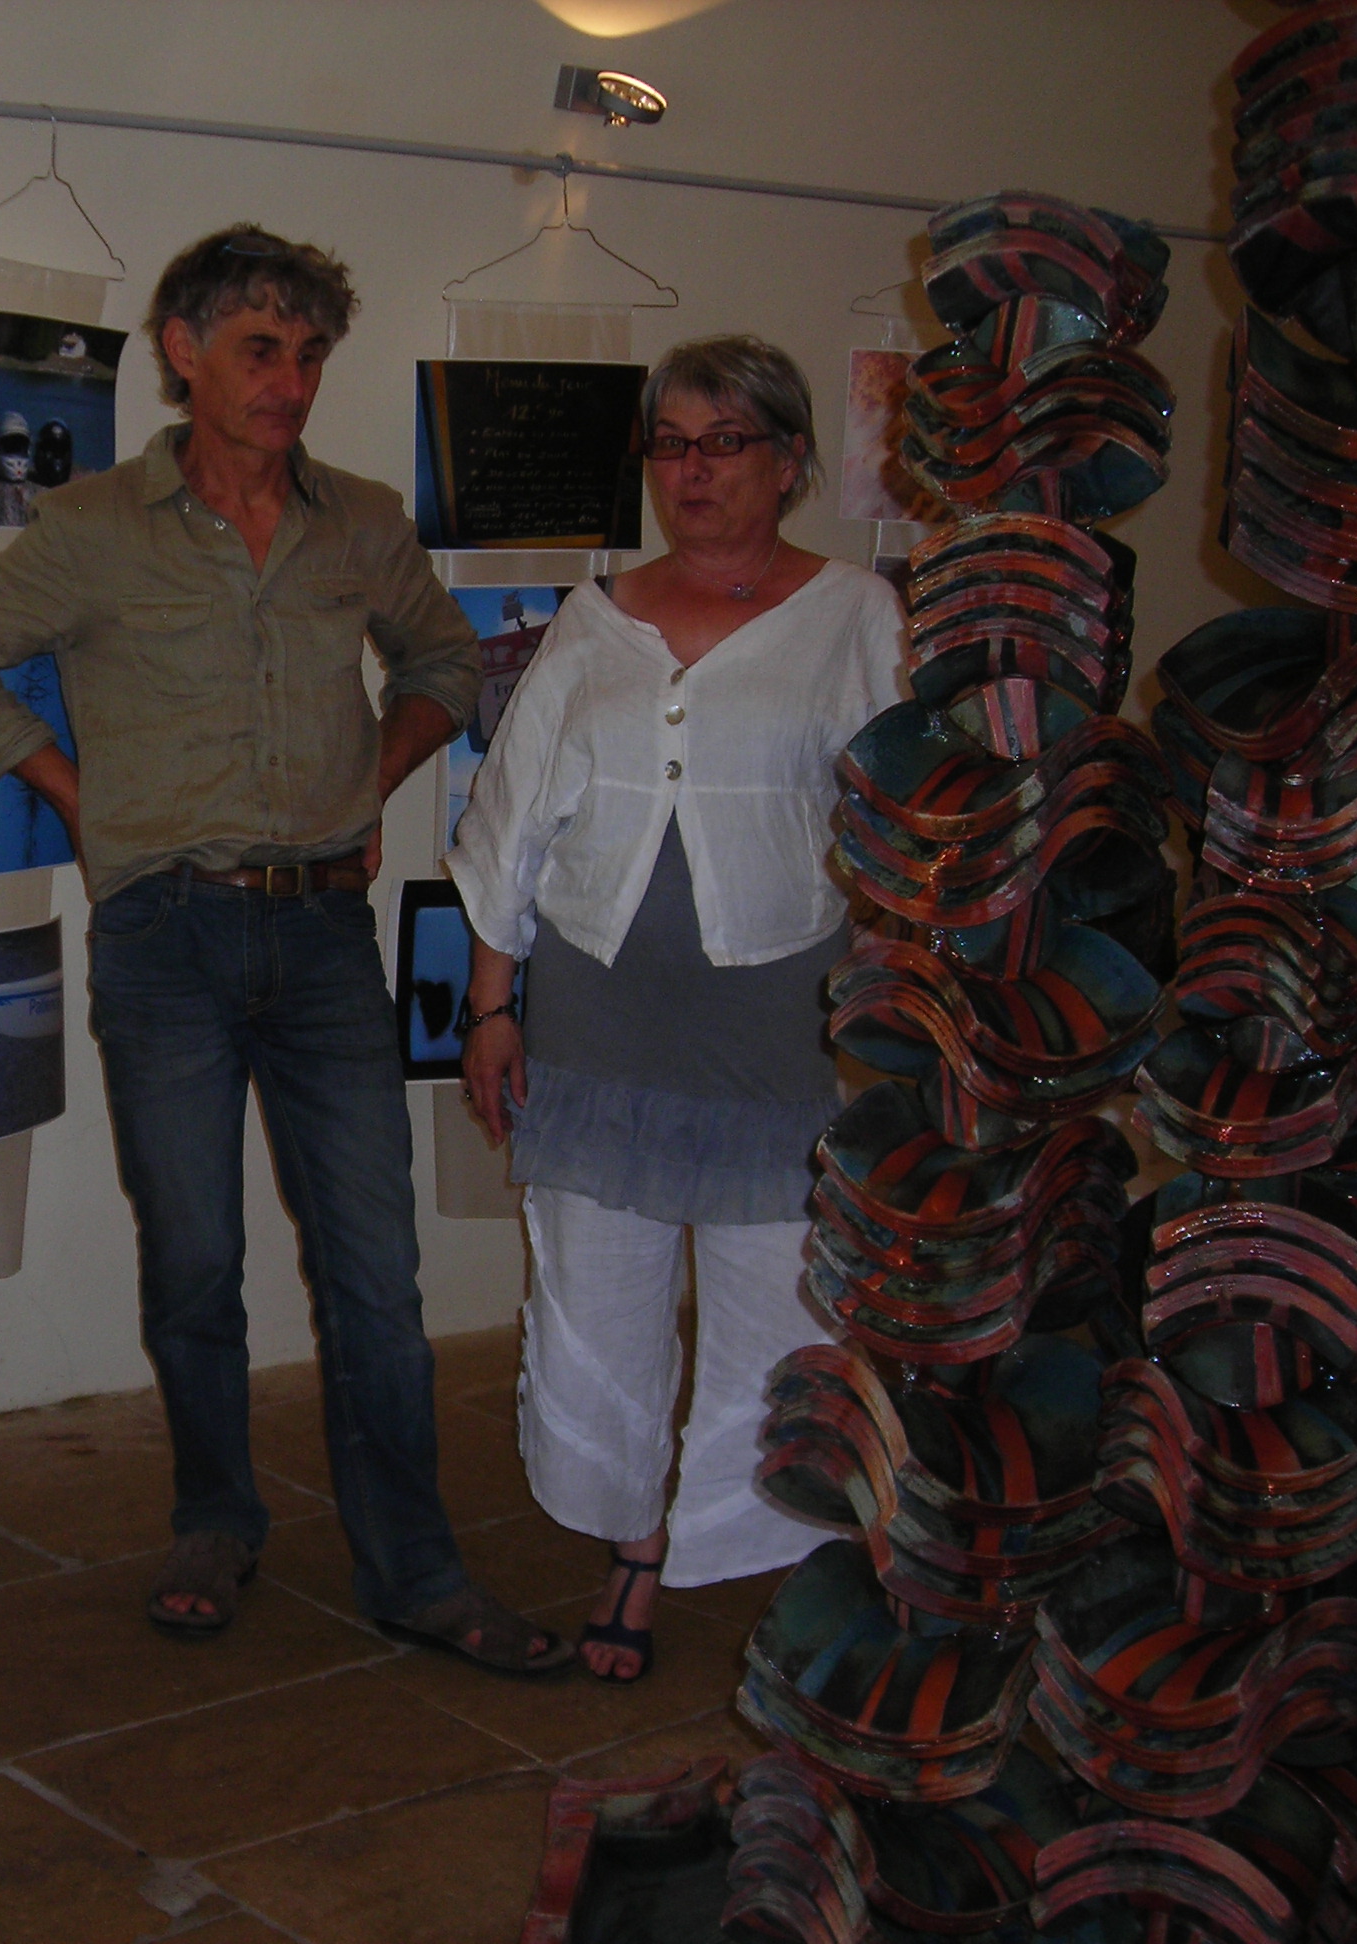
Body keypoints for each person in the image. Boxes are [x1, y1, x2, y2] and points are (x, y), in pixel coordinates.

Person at [0, 224, 573, 1678]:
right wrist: (74, 791)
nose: (291, 381)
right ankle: (216, 1518)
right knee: (196, 1259)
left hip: (324, 937)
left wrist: (372, 774)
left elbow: (448, 661)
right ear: (184, 352)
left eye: (310, 354)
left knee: (376, 1269)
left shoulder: (362, 521)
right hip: (165, 940)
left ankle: (417, 1571)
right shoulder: (94, 527)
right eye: (262, 349)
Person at [443, 335, 905, 1686]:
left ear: (791, 461)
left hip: (777, 1015)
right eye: (671, 444)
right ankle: (635, 1543)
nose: (693, 471)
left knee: (778, 1296)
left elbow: (902, 821)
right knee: (598, 1290)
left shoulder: (856, 615)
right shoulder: (594, 620)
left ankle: (746, 1539)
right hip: (598, 1007)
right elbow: (511, 821)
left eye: (725, 443)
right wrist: (491, 1007)